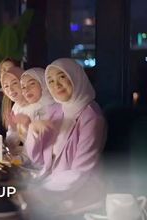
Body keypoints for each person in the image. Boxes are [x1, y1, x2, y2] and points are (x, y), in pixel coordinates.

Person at [24, 58, 106, 216]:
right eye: (50, 81)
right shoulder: (55, 110)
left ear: (76, 77)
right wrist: (33, 132)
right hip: (49, 182)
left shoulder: (92, 117)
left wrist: (40, 193)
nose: (56, 85)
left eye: (62, 77)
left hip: (79, 191)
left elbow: (81, 171)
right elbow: (38, 159)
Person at [0, 66, 31, 152]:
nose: (10, 89)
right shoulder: (16, 107)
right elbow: (11, 144)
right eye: (6, 86)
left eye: (14, 83)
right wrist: (13, 129)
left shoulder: (38, 105)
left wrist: (28, 126)